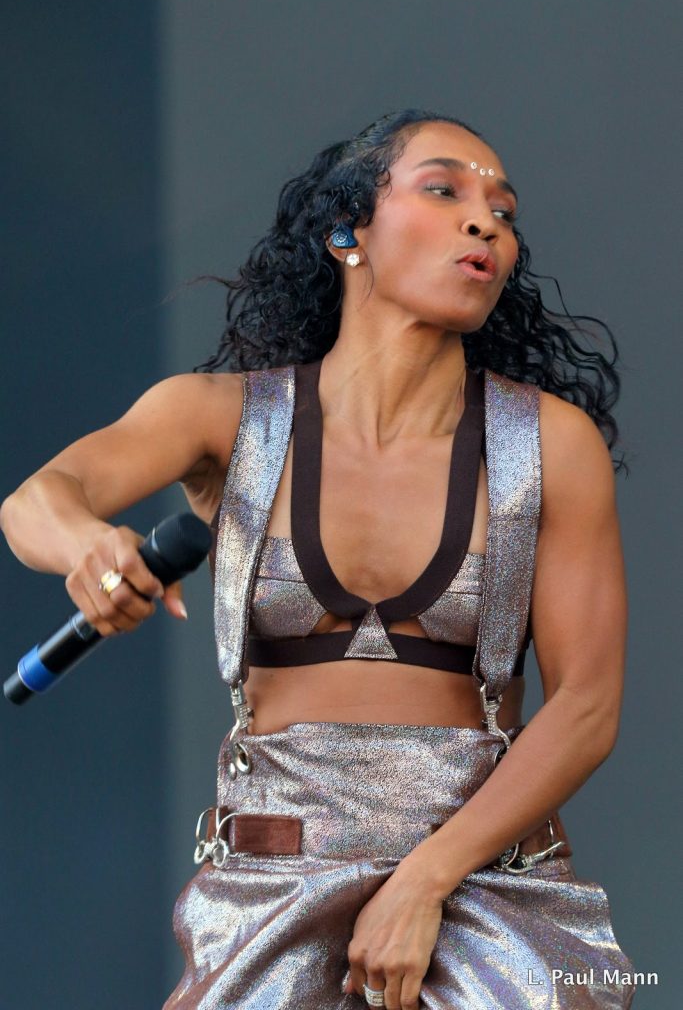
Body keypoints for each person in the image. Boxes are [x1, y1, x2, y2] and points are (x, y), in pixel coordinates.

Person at [0, 109, 637, 1009]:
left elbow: (586, 707)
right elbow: (36, 500)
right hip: (268, 894)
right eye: (443, 190)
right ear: (347, 234)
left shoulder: (548, 445)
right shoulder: (221, 417)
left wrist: (423, 882)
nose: (484, 222)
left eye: (503, 211)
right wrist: (87, 545)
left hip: (487, 889)